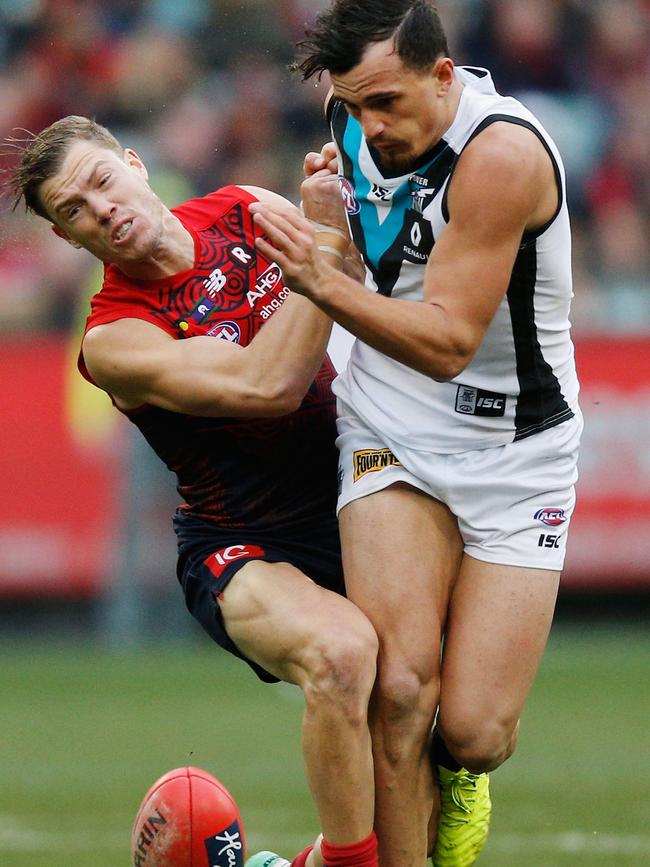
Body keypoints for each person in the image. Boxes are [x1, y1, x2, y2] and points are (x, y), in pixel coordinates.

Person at [248, 2, 583, 866]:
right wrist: (329, 221)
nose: (370, 125)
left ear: (444, 76)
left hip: (518, 450)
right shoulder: (356, 118)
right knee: (397, 688)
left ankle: (465, 774)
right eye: (354, 104)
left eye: (386, 102)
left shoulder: (501, 156)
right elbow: (376, 266)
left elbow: (445, 341)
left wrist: (319, 278)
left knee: (471, 728)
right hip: (388, 424)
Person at [8, 115, 382, 867]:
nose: (102, 210)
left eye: (103, 182)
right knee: (340, 655)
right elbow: (268, 384)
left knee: (420, 717)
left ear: (137, 166)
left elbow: (355, 283)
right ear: (67, 240)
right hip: (243, 545)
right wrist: (326, 245)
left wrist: (345, 210)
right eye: (74, 211)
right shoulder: (114, 339)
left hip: (359, 500)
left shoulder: (242, 206)